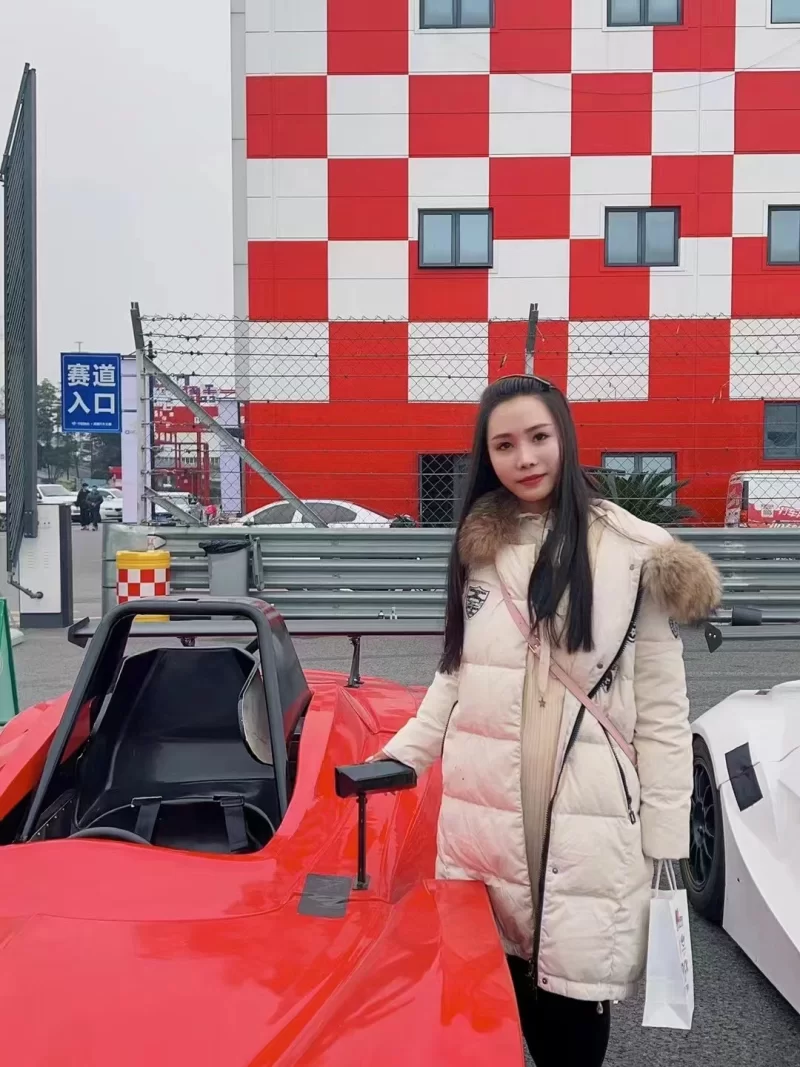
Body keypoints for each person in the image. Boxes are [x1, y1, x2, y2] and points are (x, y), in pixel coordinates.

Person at [371, 375, 721, 1067]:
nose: (524, 458)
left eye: (538, 437)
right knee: (489, 999)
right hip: (485, 806)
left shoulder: (634, 552)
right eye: (504, 445)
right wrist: (404, 753)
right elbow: (457, 670)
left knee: (572, 1010)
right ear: (487, 456)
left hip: (592, 814)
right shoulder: (480, 547)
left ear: (565, 436)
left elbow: (662, 711)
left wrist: (666, 834)